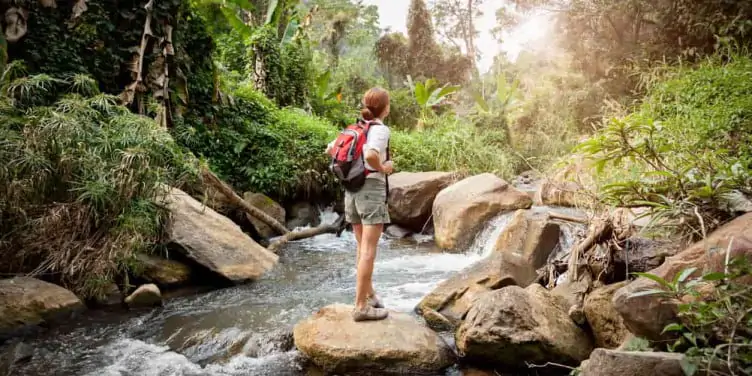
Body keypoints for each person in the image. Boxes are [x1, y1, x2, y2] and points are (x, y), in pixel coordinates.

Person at [327, 87, 393, 322]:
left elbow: (330, 149)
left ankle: (370, 295)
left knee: (360, 248)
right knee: (368, 251)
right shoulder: (379, 130)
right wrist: (384, 167)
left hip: (351, 192)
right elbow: (372, 155)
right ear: (385, 108)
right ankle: (360, 307)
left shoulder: (354, 128)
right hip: (370, 191)